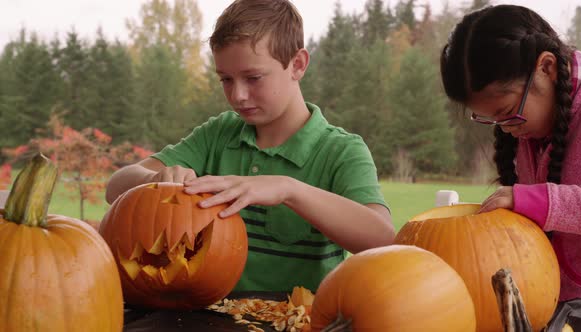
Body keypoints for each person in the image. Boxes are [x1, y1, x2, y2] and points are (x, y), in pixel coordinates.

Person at [105, 0, 394, 292]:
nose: (238, 95)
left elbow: (383, 240)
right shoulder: (217, 135)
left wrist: (289, 190)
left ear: (297, 64)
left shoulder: (341, 151)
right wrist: (154, 180)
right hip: (208, 318)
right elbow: (115, 187)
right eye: (226, 80)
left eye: (253, 78)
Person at [440, 4, 581, 301]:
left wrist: (534, 200)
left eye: (508, 113)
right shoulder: (531, 125)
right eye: (492, 120)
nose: (506, 129)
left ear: (546, 68)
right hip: (551, 304)